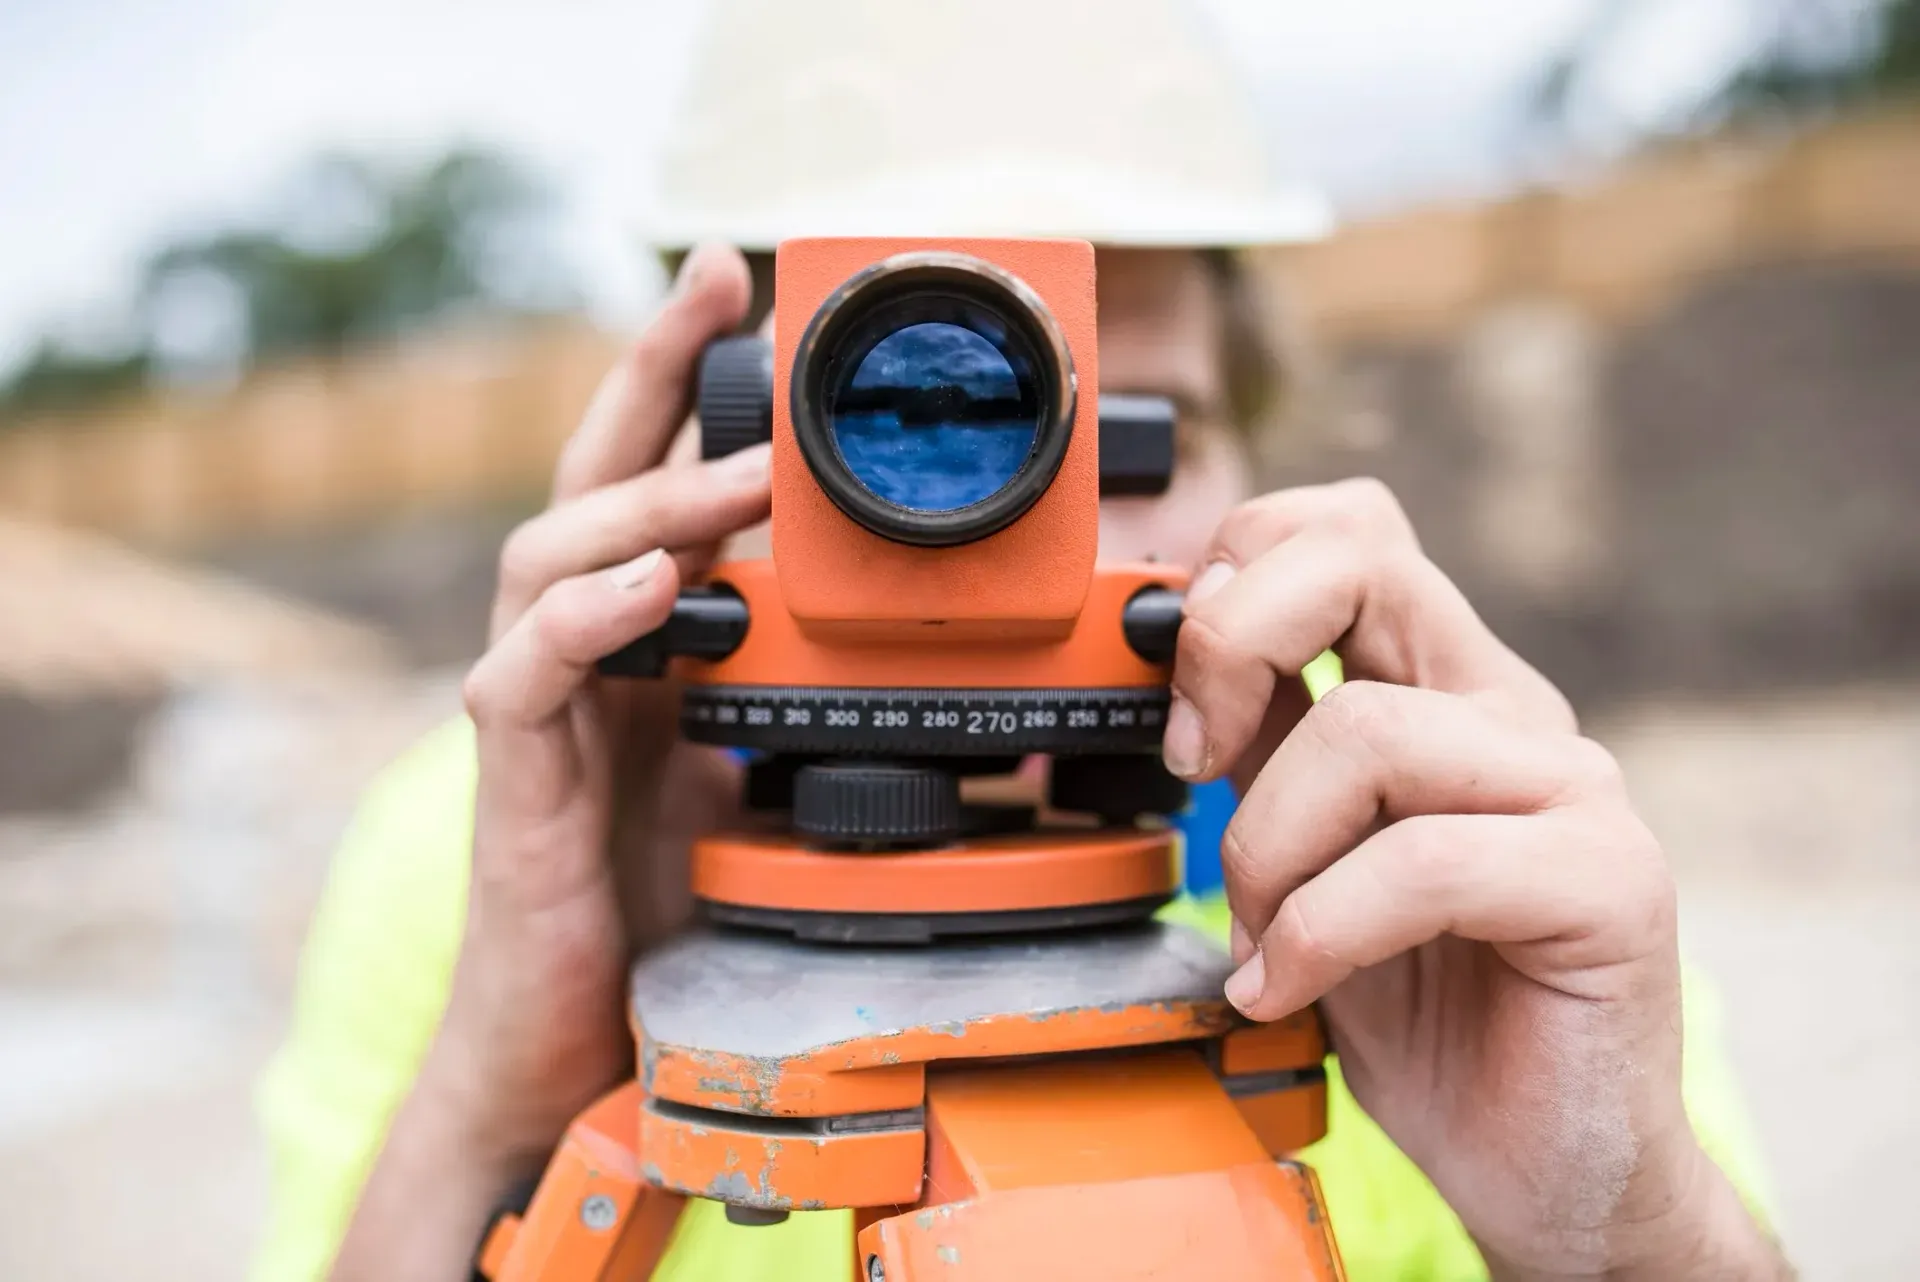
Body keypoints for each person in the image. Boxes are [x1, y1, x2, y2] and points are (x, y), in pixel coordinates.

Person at [256, 2, 1792, 1279]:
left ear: (1260, 462)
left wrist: (1627, 1229)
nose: (1025, 541)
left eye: (1131, 435)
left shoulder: (1451, 866)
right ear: (707, 433)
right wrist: (493, 1098)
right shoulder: (464, 854)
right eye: (913, 418)